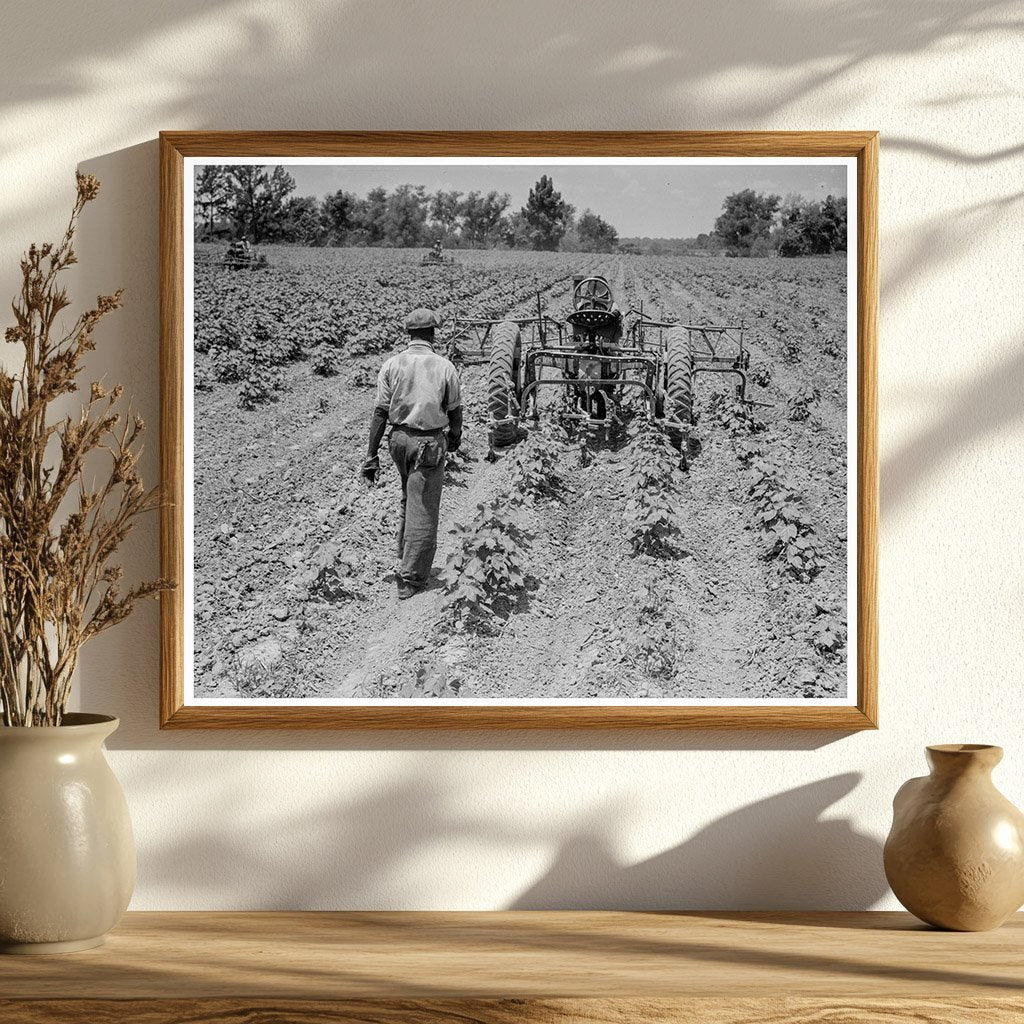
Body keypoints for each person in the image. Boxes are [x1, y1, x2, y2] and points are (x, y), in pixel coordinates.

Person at [361, 308, 463, 599]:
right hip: (428, 443)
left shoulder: (392, 364)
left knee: (409, 496)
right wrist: (454, 438)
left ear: (409, 334)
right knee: (424, 508)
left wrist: (372, 454)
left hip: (398, 440)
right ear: (433, 333)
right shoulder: (444, 366)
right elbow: (455, 410)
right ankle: (411, 579)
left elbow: (380, 412)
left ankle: (404, 555)